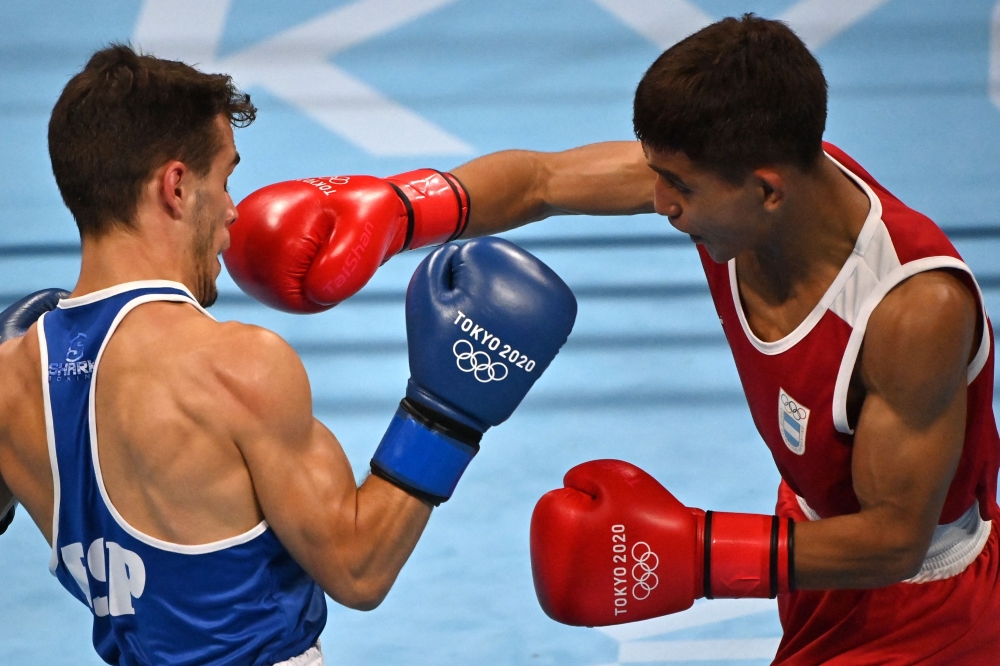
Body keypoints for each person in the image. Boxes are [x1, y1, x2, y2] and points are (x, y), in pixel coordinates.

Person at [232, 14, 1000, 664]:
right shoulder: (740, 184)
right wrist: (403, 210)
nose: (659, 202)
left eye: (678, 186)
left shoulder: (911, 312)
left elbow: (897, 542)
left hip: (924, 608)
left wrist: (696, 552)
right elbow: (540, 181)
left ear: (768, 189)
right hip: (816, 545)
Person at [0, 45, 576, 665]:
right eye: (224, 180)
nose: (232, 211)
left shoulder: (10, 377)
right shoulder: (234, 365)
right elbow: (359, 567)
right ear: (176, 186)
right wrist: (445, 415)